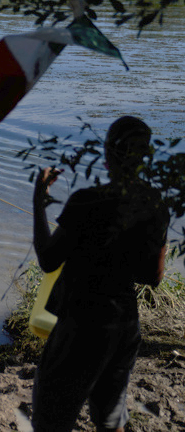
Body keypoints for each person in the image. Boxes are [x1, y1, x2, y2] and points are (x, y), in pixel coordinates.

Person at [30, 116, 169, 432]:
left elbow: (49, 260)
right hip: (123, 326)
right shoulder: (155, 204)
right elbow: (154, 276)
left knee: (52, 418)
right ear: (144, 159)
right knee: (109, 418)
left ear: (107, 155)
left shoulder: (86, 202)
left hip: (80, 326)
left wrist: (39, 202)